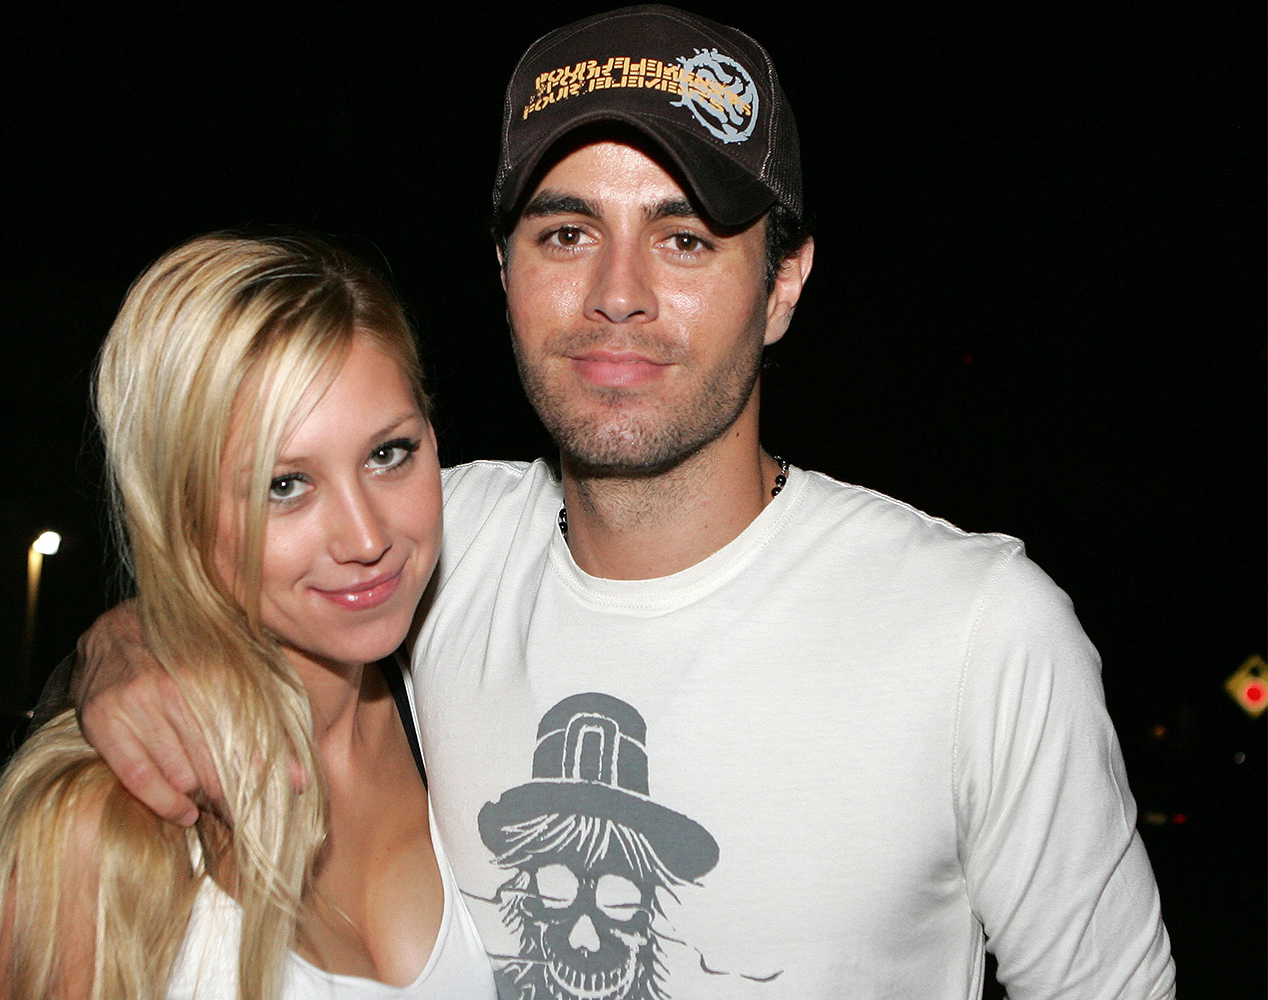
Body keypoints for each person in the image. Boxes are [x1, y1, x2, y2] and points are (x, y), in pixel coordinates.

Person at [63, 8, 1177, 998]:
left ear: (783, 287)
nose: (617, 295)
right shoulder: (428, 546)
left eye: (684, 239)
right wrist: (121, 650)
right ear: (505, 272)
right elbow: (230, 571)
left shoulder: (980, 632)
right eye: (567, 233)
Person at [0, 234, 499, 999]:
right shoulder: (103, 824)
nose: (367, 538)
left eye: (388, 454)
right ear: (184, 512)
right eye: (285, 485)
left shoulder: (455, 714)